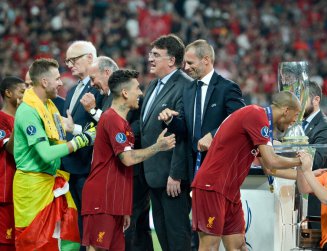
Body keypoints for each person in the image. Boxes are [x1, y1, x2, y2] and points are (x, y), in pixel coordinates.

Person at [191, 91, 303, 250]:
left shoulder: (260, 123)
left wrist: (305, 175)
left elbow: (269, 168)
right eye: (296, 114)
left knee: (239, 246)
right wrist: (301, 161)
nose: (295, 120)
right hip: (212, 186)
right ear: (286, 110)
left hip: (230, 191)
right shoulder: (256, 114)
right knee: (209, 247)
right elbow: (272, 160)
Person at [81, 69, 175, 251]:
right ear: (125, 93)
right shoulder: (112, 119)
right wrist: (158, 146)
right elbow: (127, 159)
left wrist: (123, 207)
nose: (141, 93)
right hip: (102, 197)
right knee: (98, 248)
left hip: (115, 200)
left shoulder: (122, 123)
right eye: (137, 88)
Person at [12, 58, 96, 250]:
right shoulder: (28, 111)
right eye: (57, 78)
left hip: (52, 184)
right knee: (36, 244)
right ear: (44, 82)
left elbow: (58, 139)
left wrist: (78, 131)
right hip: (32, 189)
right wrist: (82, 140)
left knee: (65, 243)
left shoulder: (49, 106)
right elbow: (46, 154)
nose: (61, 82)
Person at [158, 39, 245, 181]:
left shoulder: (227, 88)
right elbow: (185, 129)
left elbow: (240, 121)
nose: (185, 67)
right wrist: (170, 120)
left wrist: (213, 134)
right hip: (192, 168)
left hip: (219, 165)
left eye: (190, 63)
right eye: (185, 63)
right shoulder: (188, 89)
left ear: (206, 60)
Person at [141, 34, 192, 250]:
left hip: (172, 179)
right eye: (150, 54)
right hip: (153, 175)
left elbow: (185, 134)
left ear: (171, 60)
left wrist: (176, 174)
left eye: (156, 55)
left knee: (177, 237)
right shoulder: (153, 85)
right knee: (163, 236)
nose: (150, 59)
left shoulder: (186, 86)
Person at [62, 40, 103, 246]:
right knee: (80, 224)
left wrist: (74, 129)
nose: (69, 65)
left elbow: (105, 127)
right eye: (67, 61)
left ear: (89, 57)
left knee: (93, 225)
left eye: (73, 59)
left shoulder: (101, 88)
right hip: (72, 169)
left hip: (90, 168)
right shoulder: (71, 92)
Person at [302, 81, 327, 224]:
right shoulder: (297, 124)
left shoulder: (326, 127)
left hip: (315, 203)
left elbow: (316, 162)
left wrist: (293, 150)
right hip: (298, 194)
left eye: (301, 98)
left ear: (316, 100)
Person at [0, 76, 26, 251]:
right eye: (22, 92)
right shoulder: (1, 119)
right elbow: (12, 149)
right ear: (8, 93)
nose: (25, 96)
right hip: (6, 190)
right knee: (7, 243)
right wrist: (20, 122)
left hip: (24, 189)